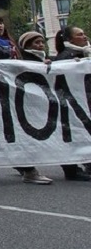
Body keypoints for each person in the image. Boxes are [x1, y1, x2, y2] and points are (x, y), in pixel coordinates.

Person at [5, 32, 54, 185]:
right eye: (35, 43)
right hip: (25, 104)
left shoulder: (44, 58)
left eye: (41, 42)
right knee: (24, 136)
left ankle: (25, 167)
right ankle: (28, 170)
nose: (40, 45)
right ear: (26, 46)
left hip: (39, 103)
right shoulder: (21, 61)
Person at [53, 26, 91, 182]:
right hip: (75, 102)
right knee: (74, 135)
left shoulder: (85, 54)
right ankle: (72, 169)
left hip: (85, 99)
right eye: (80, 34)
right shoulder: (66, 57)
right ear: (69, 39)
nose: (84, 36)